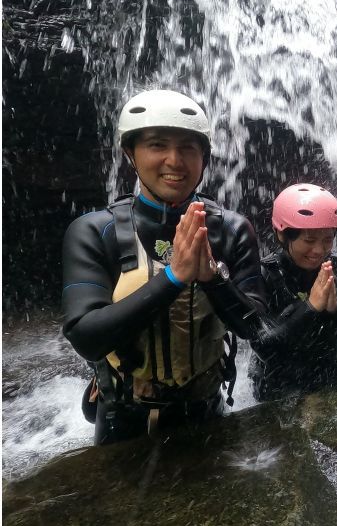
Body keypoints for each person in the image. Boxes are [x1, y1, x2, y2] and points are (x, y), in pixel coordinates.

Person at [61, 89, 267, 445]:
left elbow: (257, 328)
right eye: (157, 145)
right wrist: (173, 278)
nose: (175, 161)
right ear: (131, 153)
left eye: (189, 148)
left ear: (204, 158)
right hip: (124, 419)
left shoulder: (232, 230)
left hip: (207, 411)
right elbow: (86, 337)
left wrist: (213, 279)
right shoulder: (95, 232)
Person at [249, 183, 337, 400]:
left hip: (329, 379)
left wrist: (336, 309)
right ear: (282, 235)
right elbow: (262, 345)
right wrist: (310, 307)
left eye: (327, 240)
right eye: (309, 240)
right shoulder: (266, 274)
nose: (318, 250)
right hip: (279, 391)